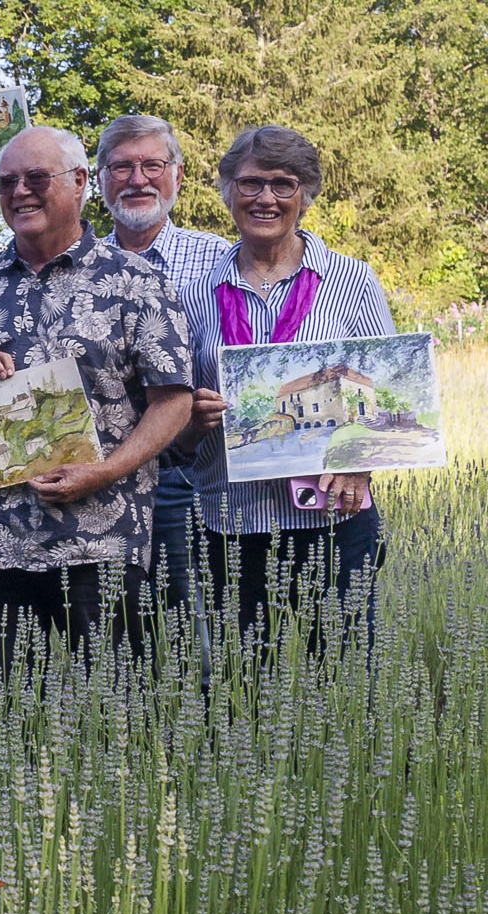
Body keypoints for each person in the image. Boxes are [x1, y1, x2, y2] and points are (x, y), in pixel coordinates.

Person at [0, 126, 194, 662]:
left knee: (115, 719)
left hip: (103, 541)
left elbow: (175, 400)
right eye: (7, 183)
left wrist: (106, 470)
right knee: (4, 722)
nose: (20, 192)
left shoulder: (136, 281)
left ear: (78, 183)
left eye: (36, 178)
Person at [180, 125, 392, 655]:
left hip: (333, 516)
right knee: (242, 686)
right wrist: (192, 416)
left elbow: (390, 391)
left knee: (343, 679)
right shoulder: (190, 294)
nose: (266, 198)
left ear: (306, 194)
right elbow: (171, 415)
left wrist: (361, 458)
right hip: (231, 519)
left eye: (283, 184)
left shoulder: (352, 281)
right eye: (250, 183)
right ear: (227, 189)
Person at [95, 114, 231, 633]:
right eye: (122, 166)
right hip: (100, 476)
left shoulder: (219, 259)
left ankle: (191, 715)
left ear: (177, 174)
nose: (137, 179)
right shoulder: (78, 265)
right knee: (110, 630)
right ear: (99, 178)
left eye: (152, 164)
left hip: (187, 473)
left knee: (191, 626)